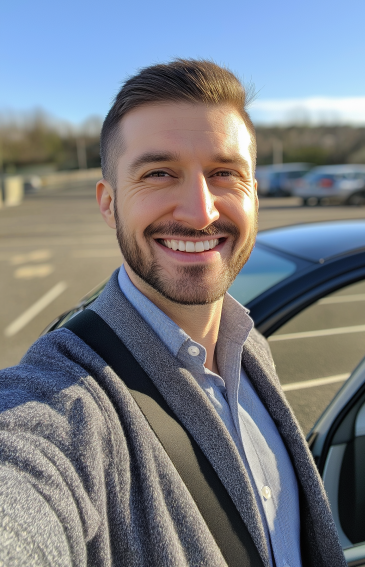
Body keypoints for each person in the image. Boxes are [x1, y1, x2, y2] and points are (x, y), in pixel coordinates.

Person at [0, 60, 346, 567]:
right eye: (159, 173)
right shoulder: (63, 405)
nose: (200, 211)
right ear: (109, 203)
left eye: (225, 173)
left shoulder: (249, 346)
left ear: (254, 194)